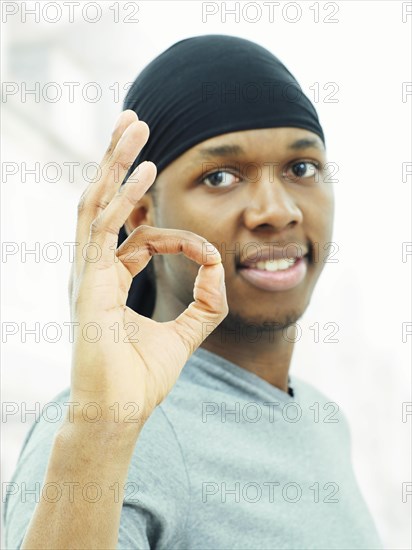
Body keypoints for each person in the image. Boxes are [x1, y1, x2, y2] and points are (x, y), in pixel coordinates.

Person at [4, 35, 383, 549]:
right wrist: (101, 429)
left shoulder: (321, 418)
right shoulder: (114, 432)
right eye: (221, 176)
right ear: (143, 216)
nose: (278, 210)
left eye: (301, 168)